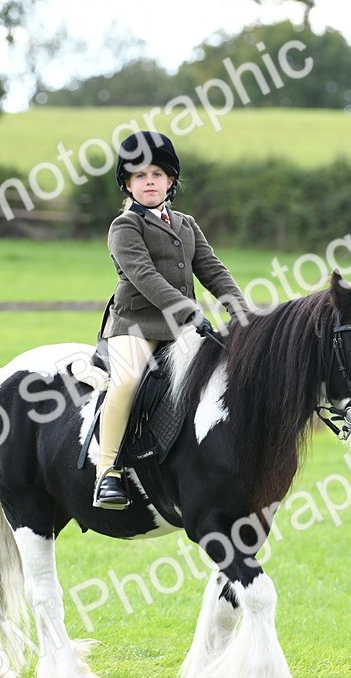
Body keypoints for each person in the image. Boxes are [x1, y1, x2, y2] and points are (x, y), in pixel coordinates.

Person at [94, 131, 247, 510]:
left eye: (157, 175)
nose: (150, 182)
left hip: (182, 329)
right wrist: (188, 311)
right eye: (140, 176)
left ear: (170, 181)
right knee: (127, 381)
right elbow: (143, 276)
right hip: (136, 325)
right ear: (127, 184)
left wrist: (241, 310)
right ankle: (107, 472)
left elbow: (212, 269)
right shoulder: (125, 226)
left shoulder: (186, 224)